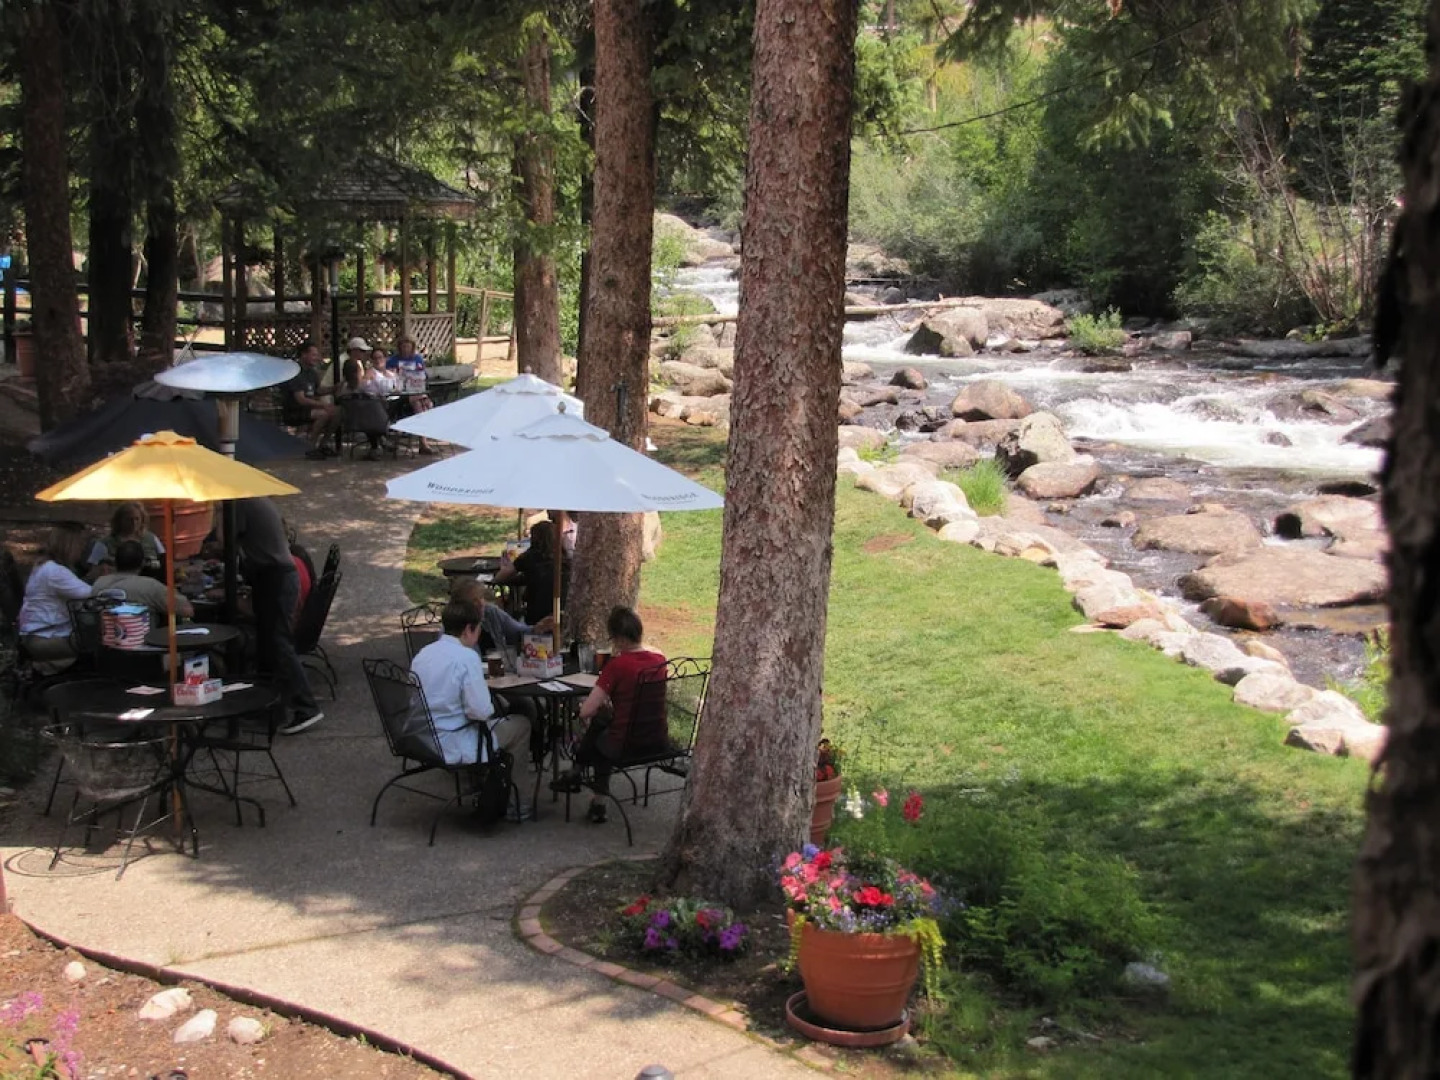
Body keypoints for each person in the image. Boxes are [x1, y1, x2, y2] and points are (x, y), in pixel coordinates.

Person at [552, 606, 667, 824]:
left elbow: (586, 711)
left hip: (627, 745)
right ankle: (578, 776)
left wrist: (584, 708)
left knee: (599, 734)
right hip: (657, 738)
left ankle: (594, 796)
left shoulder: (618, 665)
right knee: (603, 720)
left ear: (618, 638)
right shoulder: (659, 660)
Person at [232, 497, 322, 735]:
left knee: (277, 643)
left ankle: (306, 706)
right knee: (267, 644)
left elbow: (226, 542)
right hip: (273, 577)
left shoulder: (240, 503)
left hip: (276, 579)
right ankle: (269, 706)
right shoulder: (256, 502)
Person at [409, 597, 531, 767]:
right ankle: (503, 787)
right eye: (479, 627)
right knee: (521, 724)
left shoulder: (423, 654)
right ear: (468, 629)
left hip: (422, 737)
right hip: (453, 741)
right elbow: (481, 711)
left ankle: (486, 777)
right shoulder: (467, 657)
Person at [18, 523, 94, 672]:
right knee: (98, 643)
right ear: (70, 546)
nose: (83, 550)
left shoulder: (45, 566)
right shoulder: (55, 572)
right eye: (80, 545)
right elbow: (92, 594)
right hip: (45, 637)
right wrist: (109, 581)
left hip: (37, 634)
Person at [93, 539, 193, 619]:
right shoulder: (150, 586)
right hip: (144, 641)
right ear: (142, 563)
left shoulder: (99, 583)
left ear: (115, 562)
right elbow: (187, 610)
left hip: (103, 640)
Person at [495, 520, 569, 626]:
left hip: (536, 618)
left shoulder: (529, 557)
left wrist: (504, 567)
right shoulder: (565, 559)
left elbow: (499, 578)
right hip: (561, 617)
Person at [289, 340, 341, 459]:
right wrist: (323, 405)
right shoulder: (296, 373)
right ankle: (309, 447)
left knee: (339, 412)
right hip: (296, 410)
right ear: (303, 355)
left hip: (310, 408)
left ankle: (323, 445)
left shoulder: (312, 373)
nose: (317, 358)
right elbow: (301, 399)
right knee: (324, 414)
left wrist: (333, 388)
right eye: (314, 355)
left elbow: (317, 391)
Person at [86, 502, 164, 580]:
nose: (134, 523)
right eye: (129, 519)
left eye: (137, 519)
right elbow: (94, 570)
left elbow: (165, 562)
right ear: (120, 520)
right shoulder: (105, 543)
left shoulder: (151, 539)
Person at [385, 335, 434, 455]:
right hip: (400, 395)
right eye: (403, 346)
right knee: (419, 406)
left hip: (416, 391)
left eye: (408, 346)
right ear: (399, 348)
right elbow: (388, 378)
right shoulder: (393, 361)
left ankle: (422, 439)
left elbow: (422, 376)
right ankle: (423, 442)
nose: (406, 349)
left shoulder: (417, 359)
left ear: (412, 347)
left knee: (428, 405)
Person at [338, 353, 391, 461]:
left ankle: (378, 444)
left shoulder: (343, 387)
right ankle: (379, 442)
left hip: (352, 420)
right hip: (371, 421)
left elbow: (338, 397)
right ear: (358, 372)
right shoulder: (363, 387)